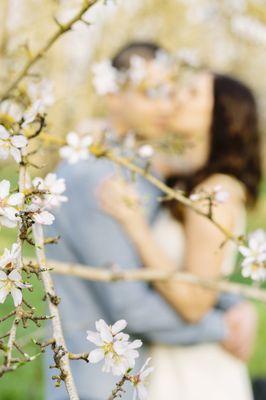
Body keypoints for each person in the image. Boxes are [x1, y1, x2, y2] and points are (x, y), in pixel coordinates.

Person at [45, 42, 259, 400]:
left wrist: (234, 304)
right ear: (112, 94)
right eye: (151, 93)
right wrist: (223, 325)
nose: (167, 105)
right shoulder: (97, 180)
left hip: (170, 375)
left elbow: (190, 275)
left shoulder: (165, 179)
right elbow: (133, 307)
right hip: (100, 384)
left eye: (174, 92)